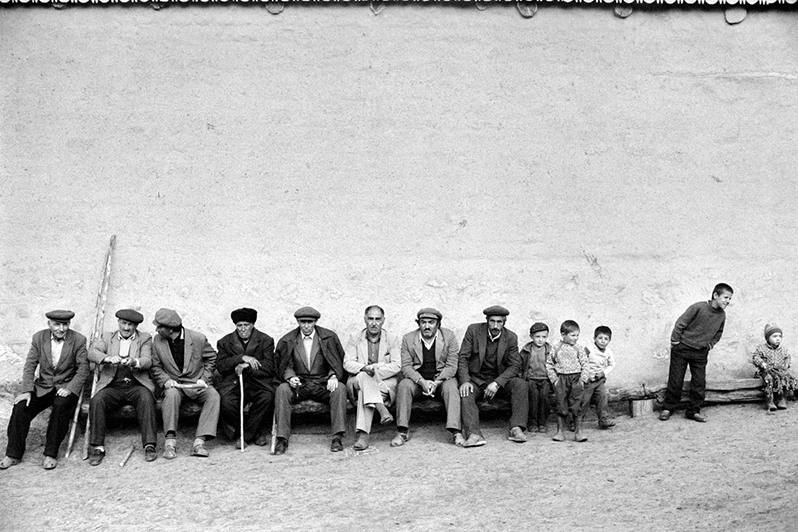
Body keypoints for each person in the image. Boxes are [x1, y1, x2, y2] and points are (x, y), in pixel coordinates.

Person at [1, 310, 89, 470]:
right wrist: (27, 390)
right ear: (49, 324)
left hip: (65, 386)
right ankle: (13, 454)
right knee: (21, 407)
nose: (61, 329)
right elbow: (30, 365)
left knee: (61, 406)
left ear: (69, 324)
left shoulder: (78, 340)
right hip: (43, 386)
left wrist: (70, 389)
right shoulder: (39, 338)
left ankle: (50, 454)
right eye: (57, 324)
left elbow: (83, 369)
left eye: (65, 324)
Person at [273, 307, 348, 454]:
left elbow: (336, 361)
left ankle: (337, 437)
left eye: (310, 322)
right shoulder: (288, 340)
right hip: (300, 385)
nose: (306, 326)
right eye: (303, 322)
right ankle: (282, 439)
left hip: (322, 383)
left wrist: (333, 375)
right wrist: (290, 377)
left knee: (340, 389)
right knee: (282, 389)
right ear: (298, 322)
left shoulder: (328, 337)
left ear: (315, 322)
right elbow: (285, 364)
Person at [87, 309, 157, 466]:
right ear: (118, 322)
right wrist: (107, 358)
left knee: (146, 398)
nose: (126, 328)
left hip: (135, 384)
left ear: (136, 326)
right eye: (124, 323)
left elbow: (147, 360)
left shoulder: (144, 338)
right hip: (113, 385)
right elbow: (91, 352)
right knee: (97, 400)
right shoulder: (107, 337)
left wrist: (134, 362)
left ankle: (149, 445)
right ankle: (97, 447)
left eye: (131, 325)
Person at [150, 308, 220, 459]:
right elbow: (155, 366)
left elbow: (212, 358)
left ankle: (199, 442)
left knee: (213, 396)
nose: (156, 329)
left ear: (171, 329)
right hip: (175, 385)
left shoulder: (198, 339)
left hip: (196, 383)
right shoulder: (157, 341)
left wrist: (204, 378)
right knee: (171, 395)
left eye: (159, 326)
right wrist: (166, 380)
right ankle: (170, 443)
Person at [660, 283, 733, 423]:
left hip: (700, 352)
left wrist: (709, 345)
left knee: (699, 382)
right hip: (682, 348)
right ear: (715, 295)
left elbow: (718, 333)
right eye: (725, 297)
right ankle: (668, 408)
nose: (728, 301)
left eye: (729, 299)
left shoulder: (722, 315)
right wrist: (675, 342)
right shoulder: (698, 307)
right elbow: (680, 323)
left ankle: (693, 410)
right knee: (676, 379)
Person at [458, 306, 528, 447]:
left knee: (521, 384)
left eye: (499, 322)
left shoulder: (511, 337)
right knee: (466, 391)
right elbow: (463, 358)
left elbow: (515, 366)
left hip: (498, 381)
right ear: (487, 321)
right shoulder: (474, 331)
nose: (495, 325)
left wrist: (497, 383)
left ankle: (516, 428)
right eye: (492, 321)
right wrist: (465, 381)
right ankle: (474, 434)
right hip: (476, 379)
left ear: (504, 322)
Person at [392, 308, 462, 447]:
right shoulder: (409, 338)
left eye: (431, 322)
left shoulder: (449, 336)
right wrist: (422, 382)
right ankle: (402, 431)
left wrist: (436, 382)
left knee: (452, 386)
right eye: (423, 322)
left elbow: (452, 365)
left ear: (438, 324)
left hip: (441, 381)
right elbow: (406, 366)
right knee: (404, 385)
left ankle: (456, 431)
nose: (427, 326)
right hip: (418, 382)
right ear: (418, 324)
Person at [216, 307, 276, 446]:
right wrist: (241, 358)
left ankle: (245, 435)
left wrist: (248, 366)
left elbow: (269, 366)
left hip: (258, 382)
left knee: (267, 398)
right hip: (234, 383)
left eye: (246, 325)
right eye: (239, 326)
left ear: (253, 325)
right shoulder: (225, 342)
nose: (242, 329)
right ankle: (254, 433)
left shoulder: (265, 340)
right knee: (226, 402)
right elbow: (221, 366)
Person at [344, 305, 402, 451]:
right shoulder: (355, 338)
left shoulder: (392, 339)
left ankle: (363, 436)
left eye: (377, 319)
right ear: (365, 319)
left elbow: (396, 366)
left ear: (383, 321)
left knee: (364, 391)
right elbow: (347, 363)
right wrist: (364, 368)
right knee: (364, 376)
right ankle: (382, 409)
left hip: (385, 383)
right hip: (359, 378)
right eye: (370, 319)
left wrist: (374, 369)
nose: (374, 323)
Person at [546, 320, 589, 442]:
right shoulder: (556, 348)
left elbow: (585, 364)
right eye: (573, 335)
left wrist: (583, 379)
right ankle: (560, 432)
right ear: (563, 335)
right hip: (561, 380)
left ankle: (579, 432)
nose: (576, 338)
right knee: (561, 405)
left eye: (577, 335)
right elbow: (549, 364)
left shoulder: (578, 348)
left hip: (576, 379)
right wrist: (554, 379)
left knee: (576, 405)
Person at [752, 323, 797, 413]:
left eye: (780, 336)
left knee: (785, 378)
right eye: (774, 336)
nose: (778, 338)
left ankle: (782, 399)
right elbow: (755, 357)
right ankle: (770, 401)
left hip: (779, 370)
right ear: (768, 338)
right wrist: (762, 364)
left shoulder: (783, 350)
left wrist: (786, 365)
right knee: (769, 380)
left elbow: (788, 358)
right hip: (767, 371)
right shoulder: (762, 348)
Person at [579, 325, 616, 429]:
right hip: (588, 381)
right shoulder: (589, 349)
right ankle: (577, 421)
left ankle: (603, 420)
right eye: (600, 338)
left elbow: (612, 365)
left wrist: (603, 373)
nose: (603, 341)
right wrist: (584, 374)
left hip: (599, 380)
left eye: (606, 339)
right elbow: (581, 358)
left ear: (609, 340)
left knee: (602, 397)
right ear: (594, 338)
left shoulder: (609, 352)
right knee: (584, 400)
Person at [520, 322, 552, 433]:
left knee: (544, 398)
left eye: (544, 337)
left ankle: (542, 423)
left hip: (545, 379)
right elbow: (520, 365)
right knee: (533, 398)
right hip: (531, 379)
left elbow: (555, 365)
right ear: (531, 337)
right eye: (537, 337)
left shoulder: (550, 350)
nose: (540, 340)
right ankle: (532, 423)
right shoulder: (526, 350)